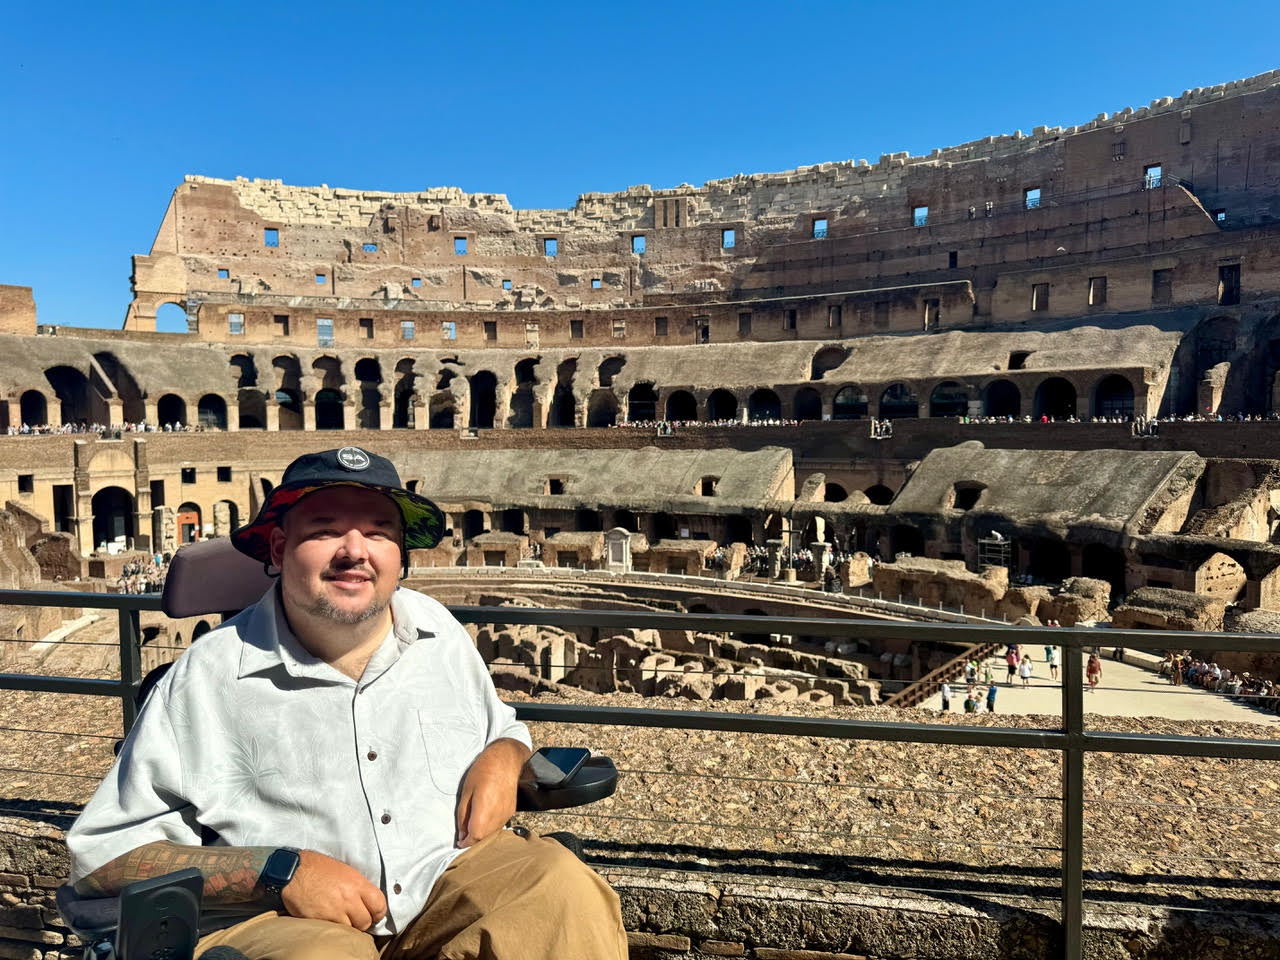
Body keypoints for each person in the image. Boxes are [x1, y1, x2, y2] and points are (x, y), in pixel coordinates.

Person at [65, 447, 628, 959]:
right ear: (281, 548)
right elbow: (104, 859)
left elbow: (499, 725)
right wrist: (277, 871)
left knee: (560, 885)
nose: (355, 551)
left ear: (399, 554)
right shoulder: (204, 678)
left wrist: (505, 754)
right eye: (326, 529)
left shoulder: (437, 629)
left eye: (380, 531)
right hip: (283, 920)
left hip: (443, 886)